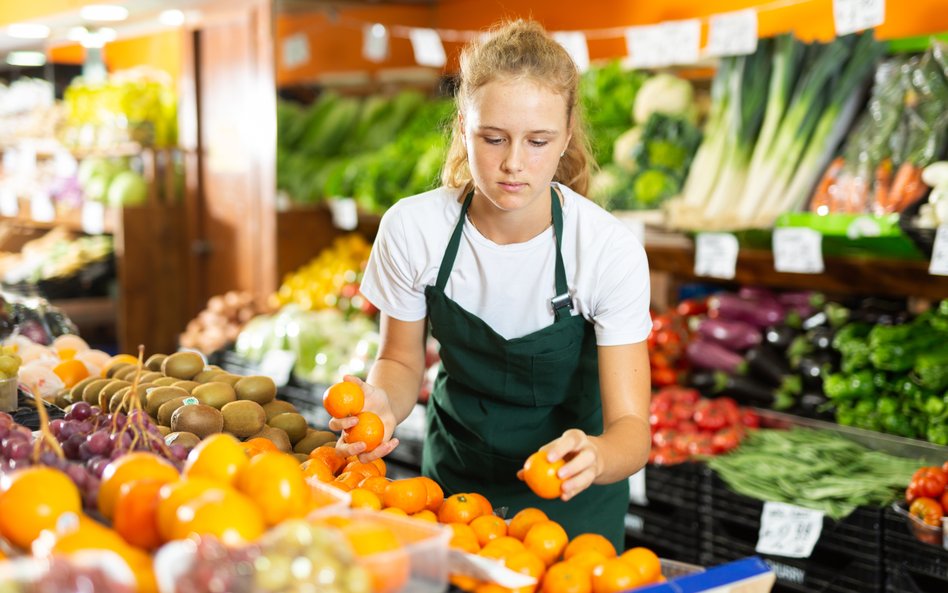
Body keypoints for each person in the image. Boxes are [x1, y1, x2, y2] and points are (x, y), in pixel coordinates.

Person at [332, 19, 652, 548]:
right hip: (454, 486)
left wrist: (595, 456)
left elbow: (632, 431)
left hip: (572, 508)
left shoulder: (605, 251)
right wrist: (381, 407)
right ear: (462, 126)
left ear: (567, 135)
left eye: (538, 141)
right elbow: (400, 362)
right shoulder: (413, 230)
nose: (513, 164)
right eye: (493, 137)